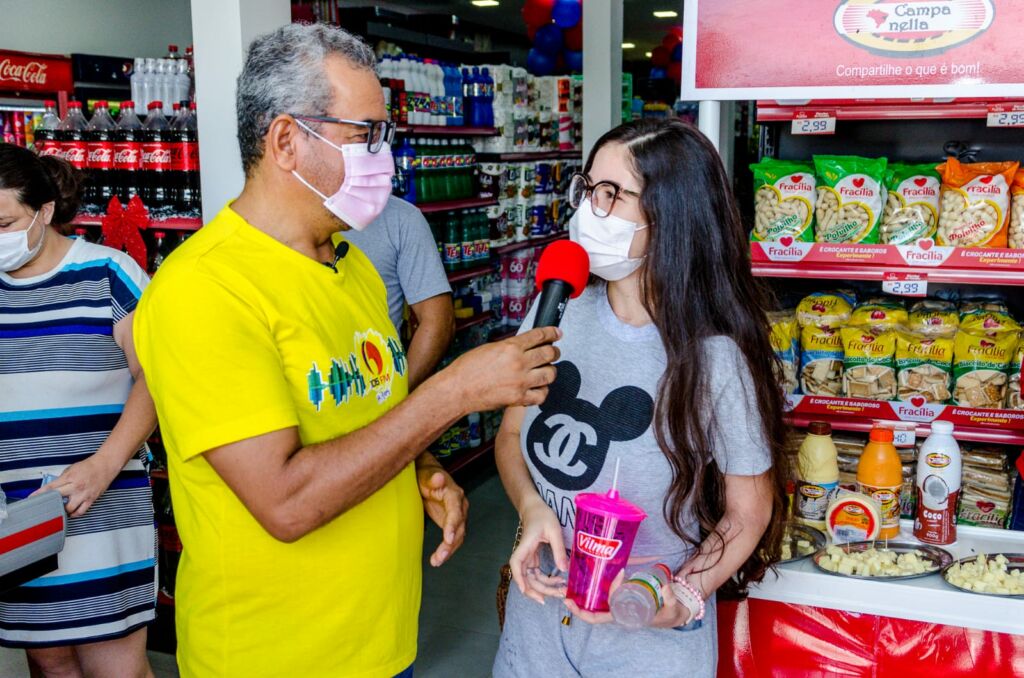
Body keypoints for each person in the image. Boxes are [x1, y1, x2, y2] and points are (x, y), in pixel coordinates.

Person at [133, 24, 559, 678]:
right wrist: (451, 395)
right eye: (364, 134)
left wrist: (417, 472)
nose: (382, 155)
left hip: (382, 646)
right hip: (274, 658)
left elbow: (360, 414)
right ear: (285, 141)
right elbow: (286, 502)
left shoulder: (350, 265)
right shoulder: (204, 291)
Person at [492, 118, 789, 677]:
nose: (588, 212)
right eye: (587, 189)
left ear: (671, 218)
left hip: (643, 647)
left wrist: (682, 595)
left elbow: (749, 511)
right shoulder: (556, 312)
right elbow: (511, 436)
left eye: (612, 195)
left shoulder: (714, 356)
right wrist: (532, 511)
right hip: (533, 638)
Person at [0, 144, 156, 678]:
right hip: (13, 519)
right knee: (49, 665)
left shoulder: (109, 273)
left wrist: (103, 465)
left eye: (5, 222)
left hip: (100, 506)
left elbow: (157, 378)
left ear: (43, 211)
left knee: (115, 667)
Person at [344, 195, 454, 389]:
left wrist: (398, 395)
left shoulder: (401, 217)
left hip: (378, 381)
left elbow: (438, 322)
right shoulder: (279, 224)